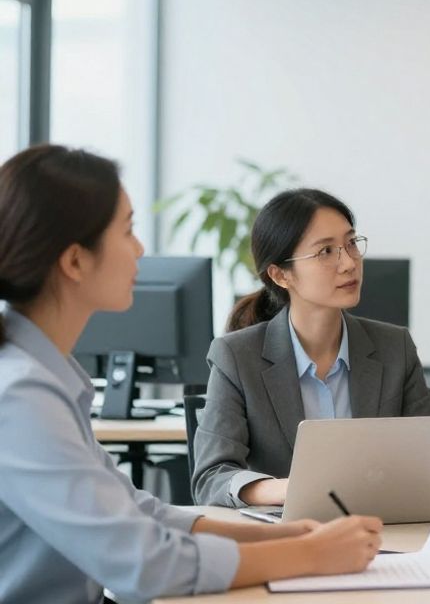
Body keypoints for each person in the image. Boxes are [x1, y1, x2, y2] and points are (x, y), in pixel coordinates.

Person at [0, 145, 382, 603]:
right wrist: (312, 555)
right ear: (75, 260)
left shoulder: (50, 376)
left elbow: (138, 511)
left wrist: (283, 538)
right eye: (128, 230)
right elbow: (146, 565)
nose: (141, 248)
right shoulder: (20, 395)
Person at [193, 188, 430, 507]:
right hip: (287, 538)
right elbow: (211, 477)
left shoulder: (395, 347)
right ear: (281, 275)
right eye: (325, 252)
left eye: (351, 243)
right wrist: (289, 489)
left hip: (383, 532)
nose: (349, 263)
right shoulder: (237, 357)